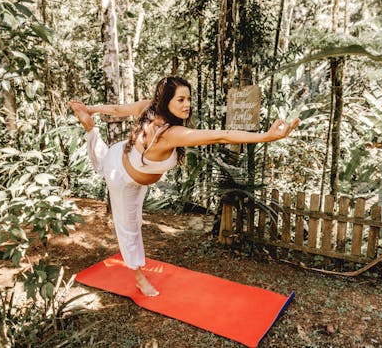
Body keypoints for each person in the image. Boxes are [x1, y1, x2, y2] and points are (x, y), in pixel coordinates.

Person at [68, 76, 300, 297]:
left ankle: (90, 129)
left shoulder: (154, 112)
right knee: (129, 226)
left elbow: (118, 111)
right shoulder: (170, 133)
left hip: (124, 157)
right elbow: (221, 137)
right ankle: (139, 277)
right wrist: (265, 137)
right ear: (166, 101)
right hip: (122, 178)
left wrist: (92, 109)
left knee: (115, 183)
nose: (187, 104)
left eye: (189, 99)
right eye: (180, 100)